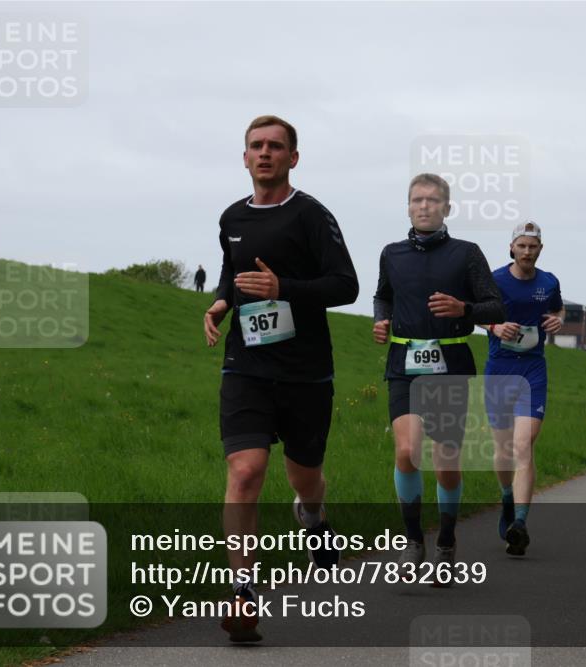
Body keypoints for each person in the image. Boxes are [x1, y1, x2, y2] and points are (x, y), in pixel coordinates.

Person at [204, 115, 359, 642]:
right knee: (245, 471)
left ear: (293, 157)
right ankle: (243, 593)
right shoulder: (231, 216)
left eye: (275, 146)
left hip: (305, 372)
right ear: (244, 157)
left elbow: (346, 285)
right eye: (256, 146)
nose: (265, 153)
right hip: (246, 365)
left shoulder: (312, 215)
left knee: (304, 478)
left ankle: (312, 517)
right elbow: (232, 270)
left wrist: (283, 289)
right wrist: (222, 302)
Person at [373, 173, 504, 582]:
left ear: (447, 208)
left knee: (446, 462)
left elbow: (495, 307)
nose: (424, 206)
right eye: (417, 200)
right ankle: (413, 542)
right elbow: (383, 295)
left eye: (432, 200)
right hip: (404, 364)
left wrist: (465, 309)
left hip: (450, 365)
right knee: (407, 450)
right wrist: (381, 319)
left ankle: (446, 542)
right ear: (408, 207)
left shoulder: (466, 253)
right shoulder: (392, 254)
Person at [478, 221, 563, 556]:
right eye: (522, 246)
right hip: (499, 369)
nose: (527, 252)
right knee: (503, 450)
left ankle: (520, 523)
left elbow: (556, 307)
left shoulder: (549, 282)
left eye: (533, 246)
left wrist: (557, 318)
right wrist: (494, 326)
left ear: (540, 249)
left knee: (523, 446)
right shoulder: (494, 280)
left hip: (532, 370)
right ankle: (507, 498)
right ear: (512, 248)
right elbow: (474, 312)